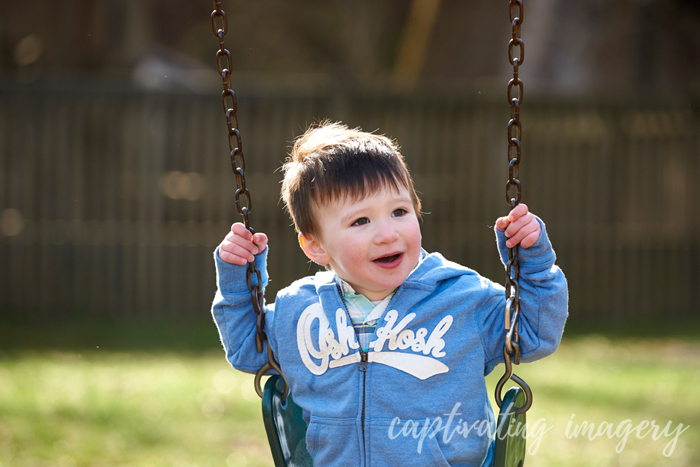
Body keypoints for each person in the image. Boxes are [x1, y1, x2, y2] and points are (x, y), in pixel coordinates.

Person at [211, 121, 568, 467]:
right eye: (360, 221)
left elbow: (535, 334)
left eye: (399, 211)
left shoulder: (461, 298)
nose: (387, 233)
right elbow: (246, 347)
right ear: (316, 247)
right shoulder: (300, 312)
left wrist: (532, 262)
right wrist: (238, 278)